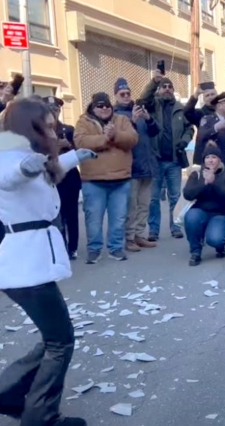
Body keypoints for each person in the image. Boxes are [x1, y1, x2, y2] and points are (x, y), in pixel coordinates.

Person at [0, 99, 97, 426]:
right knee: (60, 341)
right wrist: (27, 166)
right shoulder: (8, 154)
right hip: (25, 264)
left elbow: (44, 170)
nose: (53, 128)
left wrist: (74, 157)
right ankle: (40, 417)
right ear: (31, 126)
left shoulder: (25, 153)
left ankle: (9, 392)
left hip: (30, 263)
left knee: (54, 337)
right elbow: (13, 173)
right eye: (47, 123)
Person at [74, 92, 139, 263]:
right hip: (93, 180)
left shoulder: (122, 120)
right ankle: (94, 249)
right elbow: (81, 142)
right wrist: (105, 138)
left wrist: (115, 135)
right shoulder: (83, 121)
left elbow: (132, 139)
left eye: (107, 106)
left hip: (121, 179)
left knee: (118, 219)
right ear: (93, 107)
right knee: (93, 219)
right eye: (100, 106)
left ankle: (115, 248)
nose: (104, 109)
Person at [140, 68, 195, 241]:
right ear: (159, 89)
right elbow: (143, 99)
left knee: (175, 196)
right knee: (153, 198)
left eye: (169, 87)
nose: (166, 89)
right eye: (163, 87)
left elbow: (189, 128)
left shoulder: (180, 109)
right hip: (155, 159)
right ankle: (153, 230)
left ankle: (175, 227)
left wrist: (185, 141)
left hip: (174, 160)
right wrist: (154, 81)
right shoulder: (153, 105)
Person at [112, 78, 161, 253]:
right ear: (116, 96)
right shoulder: (115, 115)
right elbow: (120, 139)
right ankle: (129, 238)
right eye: (122, 94)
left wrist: (147, 118)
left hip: (147, 164)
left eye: (128, 93)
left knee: (144, 205)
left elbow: (155, 132)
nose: (126, 97)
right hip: (131, 167)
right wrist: (132, 120)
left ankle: (140, 235)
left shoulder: (140, 109)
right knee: (131, 206)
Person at [183, 143, 225, 266]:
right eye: (207, 157)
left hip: (222, 214)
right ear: (204, 160)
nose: (210, 160)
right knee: (191, 217)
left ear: (219, 159)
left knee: (215, 239)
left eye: (214, 157)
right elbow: (187, 195)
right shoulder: (196, 174)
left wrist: (214, 183)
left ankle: (220, 246)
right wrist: (205, 184)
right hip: (200, 211)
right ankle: (196, 251)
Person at [45, 96, 81, 260]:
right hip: (50, 179)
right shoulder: (39, 131)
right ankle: (59, 248)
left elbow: (80, 150)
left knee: (71, 215)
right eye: (50, 109)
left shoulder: (68, 129)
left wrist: (69, 146)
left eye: (56, 109)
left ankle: (72, 247)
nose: (54, 112)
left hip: (69, 178)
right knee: (54, 215)